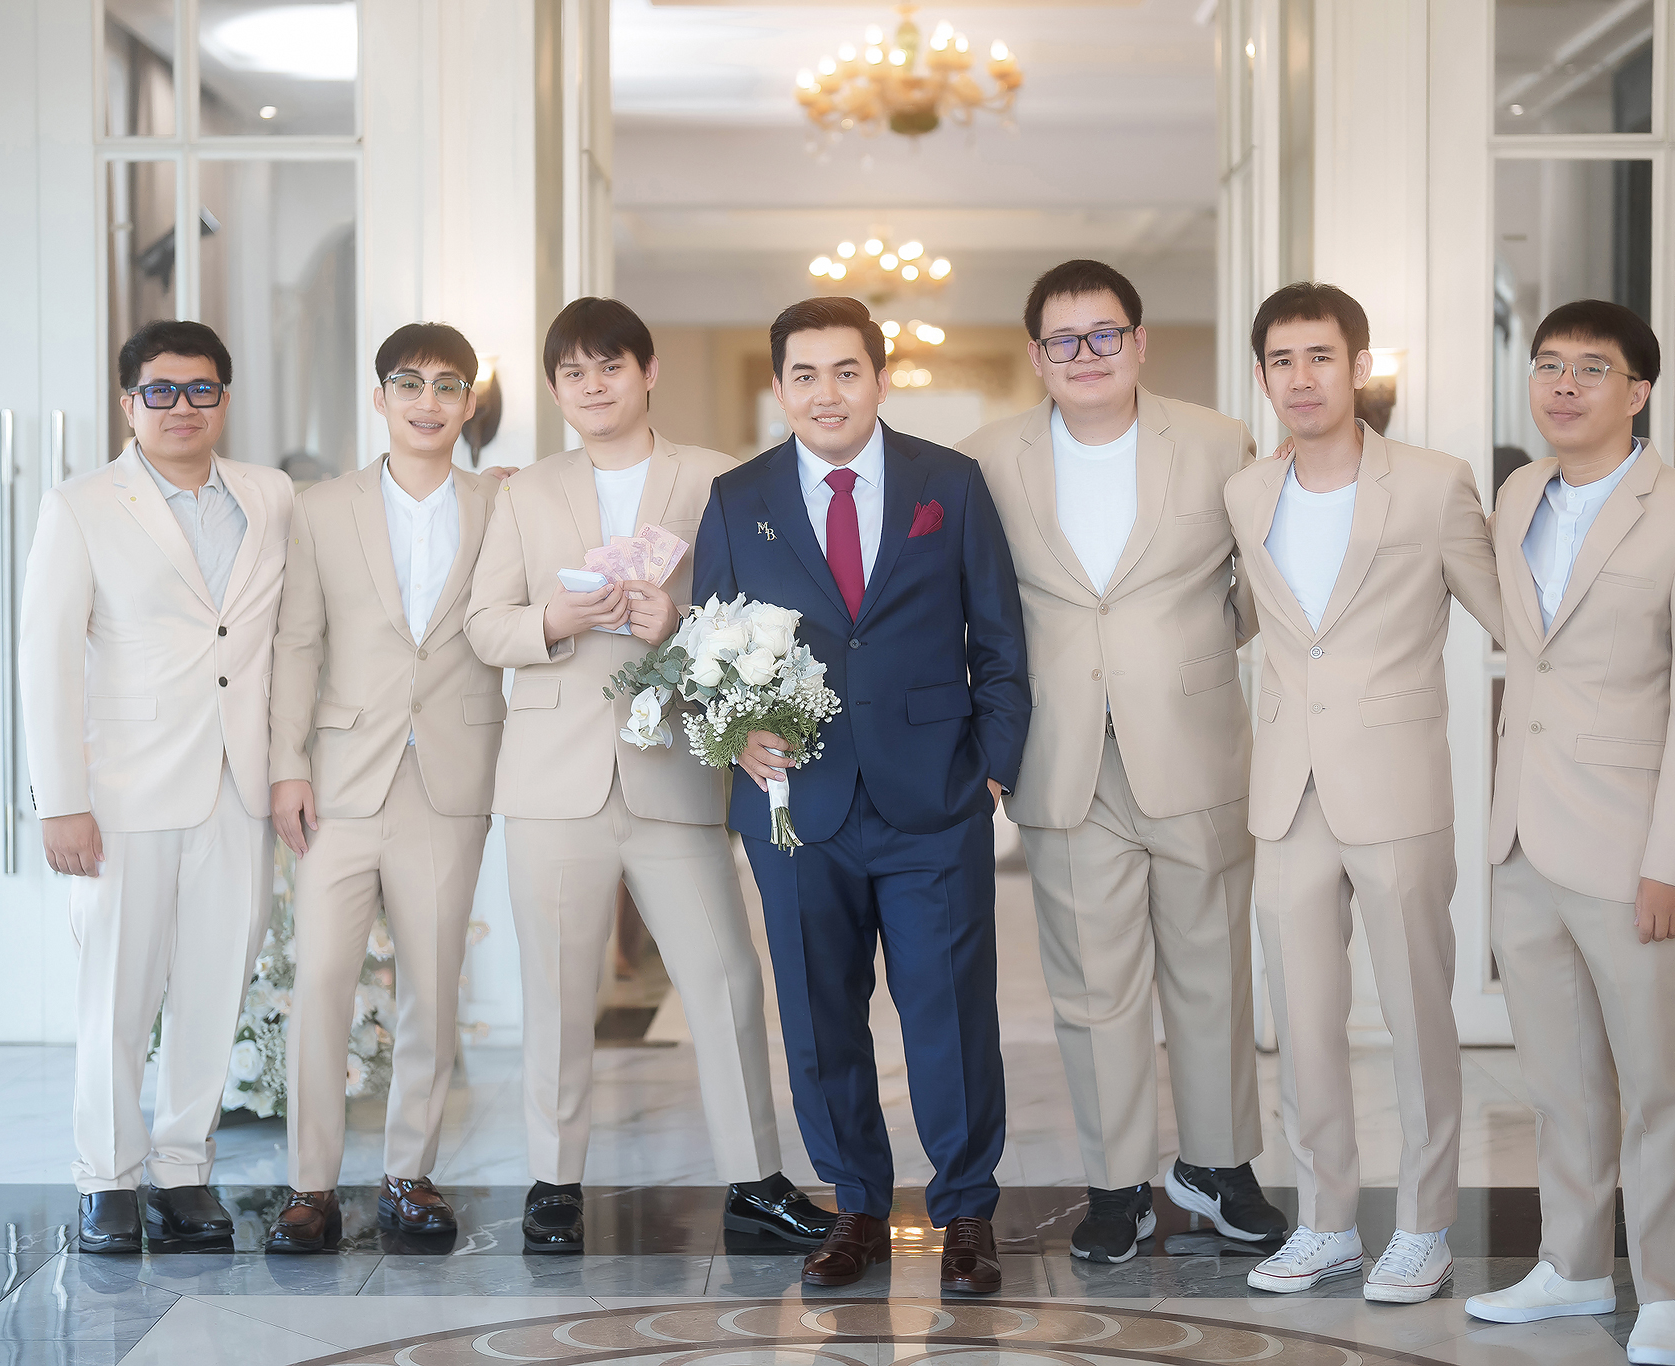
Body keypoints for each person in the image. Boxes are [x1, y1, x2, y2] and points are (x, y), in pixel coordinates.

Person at [464, 297, 832, 1254]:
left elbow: (758, 612)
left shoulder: (715, 478)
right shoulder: (524, 491)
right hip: (553, 779)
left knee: (725, 977)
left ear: (648, 372)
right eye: (574, 373)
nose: (594, 386)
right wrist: (552, 621)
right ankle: (554, 1181)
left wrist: (679, 620)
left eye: (611, 367)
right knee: (556, 989)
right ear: (556, 390)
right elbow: (484, 624)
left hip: (676, 767)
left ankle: (755, 1181)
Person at [692, 296, 1030, 1294]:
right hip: (796, 805)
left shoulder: (948, 483)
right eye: (804, 374)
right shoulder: (736, 497)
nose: (826, 392)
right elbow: (707, 644)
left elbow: (999, 640)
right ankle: (856, 1208)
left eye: (846, 371)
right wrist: (733, 737)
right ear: (779, 387)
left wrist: (993, 766)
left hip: (935, 799)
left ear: (879, 378)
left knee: (949, 1014)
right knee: (816, 1015)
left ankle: (966, 1212)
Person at [959, 260, 1287, 1262]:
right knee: (1092, 989)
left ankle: (1220, 1167)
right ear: (1036, 356)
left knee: (1212, 973)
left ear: (1139, 342)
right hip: (1061, 758)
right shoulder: (985, 459)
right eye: (1063, 340)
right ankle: (1116, 1186)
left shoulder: (1219, 442)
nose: (1086, 355)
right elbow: (974, 604)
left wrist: (1169, 668)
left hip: (1193, 749)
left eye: (1104, 334)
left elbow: (1255, 590)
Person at [1464, 301, 1675, 1366]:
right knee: (1560, 1082)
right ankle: (1572, 1263)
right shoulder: (1515, 495)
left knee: (1659, 1082)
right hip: (1521, 838)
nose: (1563, 384)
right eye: (1547, 365)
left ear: (1638, 392)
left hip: (1632, 848)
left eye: (1591, 368)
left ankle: (1667, 1290)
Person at [1225, 283, 1500, 1302]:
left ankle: (1423, 1224)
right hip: (1285, 792)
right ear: (1263, 376)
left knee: (1419, 1017)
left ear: (1358, 367)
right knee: (1304, 1023)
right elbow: (1241, 620)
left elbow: (1514, 620)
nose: (1300, 378)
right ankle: (1326, 1220)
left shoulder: (1432, 484)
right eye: (1281, 360)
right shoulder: (1246, 493)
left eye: (1320, 357)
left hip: (1395, 788)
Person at [21, 320, 292, 1252]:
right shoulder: (80, 505)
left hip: (238, 783)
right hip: (122, 792)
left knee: (215, 991)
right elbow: (46, 658)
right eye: (161, 391)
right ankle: (106, 1178)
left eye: (201, 389)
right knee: (117, 997)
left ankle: (183, 1172)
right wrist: (61, 799)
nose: (183, 406)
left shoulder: (270, 495)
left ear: (225, 398)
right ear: (127, 403)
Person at [262, 323, 508, 1252]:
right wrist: (287, 765)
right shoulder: (321, 508)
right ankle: (310, 1187)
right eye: (409, 383)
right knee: (321, 982)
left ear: (469, 403)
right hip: (338, 779)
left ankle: (410, 1175)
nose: (427, 401)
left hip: (450, 776)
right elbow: (297, 643)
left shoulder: (501, 504)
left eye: (447, 386)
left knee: (431, 989)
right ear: (381, 398)